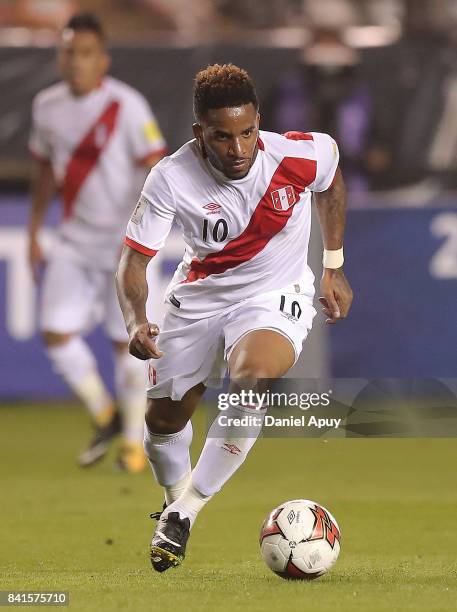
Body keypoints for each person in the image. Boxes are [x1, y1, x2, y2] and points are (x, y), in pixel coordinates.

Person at [116, 63, 353, 570]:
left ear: (258, 121)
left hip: (275, 294)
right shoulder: (171, 177)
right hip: (200, 297)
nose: (239, 149)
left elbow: (332, 183)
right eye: (223, 137)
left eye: (247, 132)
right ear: (200, 132)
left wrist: (332, 265)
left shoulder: (297, 153)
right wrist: (136, 320)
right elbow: (134, 261)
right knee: (163, 421)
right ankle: (174, 499)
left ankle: (185, 513)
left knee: (253, 377)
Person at [28, 13, 167, 473]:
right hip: (73, 239)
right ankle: (105, 414)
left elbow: (157, 165)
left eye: (85, 52)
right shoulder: (46, 106)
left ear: (102, 59)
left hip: (123, 245)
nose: (76, 61)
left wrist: (147, 229)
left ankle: (131, 442)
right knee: (54, 331)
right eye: (68, 51)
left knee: (125, 341)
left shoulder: (127, 106)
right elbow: (45, 171)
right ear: (59, 56)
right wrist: (33, 231)